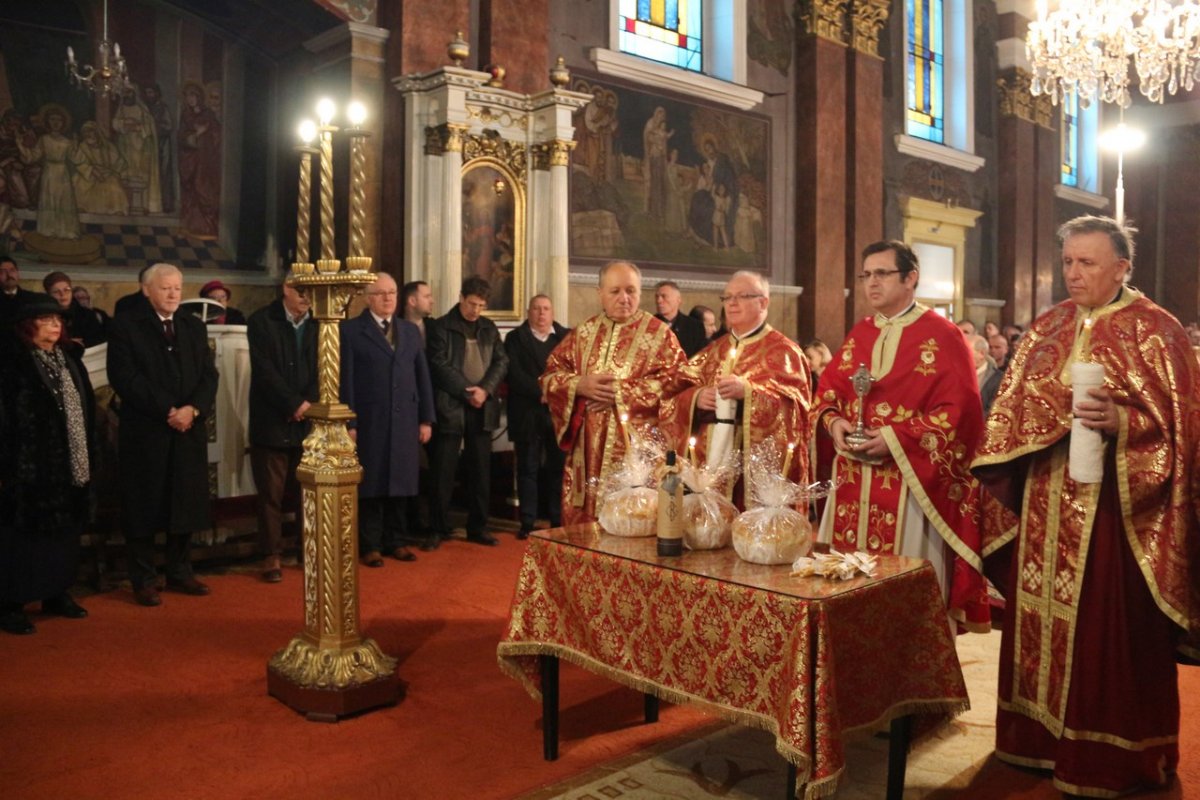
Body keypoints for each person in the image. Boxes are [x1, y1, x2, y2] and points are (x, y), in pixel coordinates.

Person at [971, 216, 1200, 797]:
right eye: (1068, 262)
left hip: (1118, 515)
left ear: (1123, 268)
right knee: (1036, 619)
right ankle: (1035, 740)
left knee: (1109, 629)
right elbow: (1009, 410)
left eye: (1088, 263)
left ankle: (1109, 756)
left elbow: (1185, 432)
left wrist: (1125, 421)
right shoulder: (1047, 327)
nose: (1074, 274)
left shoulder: (1158, 332)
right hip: (1046, 500)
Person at [814, 241, 990, 632]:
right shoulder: (861, 332)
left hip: (910, 490)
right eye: (866, 275)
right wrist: (834, 422)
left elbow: (960, 415)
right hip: (852, 485)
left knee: (902, 608)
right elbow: (829, 393)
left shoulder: (943, 336)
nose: (871, 283)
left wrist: (897, 438)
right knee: (846, 597)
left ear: (911, 278)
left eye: (882, 273)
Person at [106, 263, 218, 606]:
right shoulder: (127, 326)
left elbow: (208, 376)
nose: (173, 294)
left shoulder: (193, 326)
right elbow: (124, 376)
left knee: (184, 501)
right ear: (147, 289)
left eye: (178, 288)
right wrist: (168, 410)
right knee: (143, 504)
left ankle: (180, 571)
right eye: (166, 288)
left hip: (188, 431)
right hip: (147, 432)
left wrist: (193, 410)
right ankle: (143, 577)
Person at [542, 261, 687, 524]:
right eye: (615, 291)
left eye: (631, 291)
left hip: (635, 451)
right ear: (600, 293)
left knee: (632, 525)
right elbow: (550, 376)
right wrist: (579, 385)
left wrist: (621, 393)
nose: (624, 298)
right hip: (587, 450)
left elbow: (677, 383)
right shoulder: (583, 333)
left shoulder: (660, 336)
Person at [661, 271, 811, 504]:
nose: (731, 302)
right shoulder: (713, 350)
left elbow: (797, 413)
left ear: (763, 302)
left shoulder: (785, 352)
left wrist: (749, 393)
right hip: (708, 467)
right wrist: (696, 398)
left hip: (752, 475)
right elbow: (670, 394)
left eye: (741, 296)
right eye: (727, 297)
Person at [0, 299, 94, 634]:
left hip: (69, 464)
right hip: (26, 469)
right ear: (27, 324)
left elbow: (84, 410)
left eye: (58, 319)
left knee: (63, 534)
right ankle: (11, 604)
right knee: (21, 540)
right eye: (45, 318)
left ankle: (56, 592)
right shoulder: (12, 364)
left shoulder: (69, 361)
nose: (55, 324)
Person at [340, 272, 434, 565]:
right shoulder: (352, 331)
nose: (388, 298)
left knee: (401, 483)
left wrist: (426, 419)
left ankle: (397, 540)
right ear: (369, 298)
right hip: (371, 419)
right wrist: (350, 423)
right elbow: (347, 381)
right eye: (381, 293)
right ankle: (370, 545)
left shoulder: (408, 330)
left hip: (405, 418)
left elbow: (422, 376)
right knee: (372, 484)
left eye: (392, 292)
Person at [427, 276, 508, 546]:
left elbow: (501, 361)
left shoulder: (488, 328)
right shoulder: (441, 327)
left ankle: (478, 527)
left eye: (481, 305)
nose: (476, 310)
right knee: (444, 471)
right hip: (451, 405)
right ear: (461, 298)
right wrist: (466, 391)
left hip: (482, 405)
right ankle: (438, 527)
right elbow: (438, 365)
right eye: (472, 303)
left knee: (480, 471)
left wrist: (484, 390)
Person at [246, 276, 317, 582]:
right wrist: (292, 404)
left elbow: (325, 367)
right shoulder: (262, 321)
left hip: (308, 420)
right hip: (272, 419)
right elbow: (265, 371)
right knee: (271, 495)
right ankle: (271, 555)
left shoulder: (319, 322)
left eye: (310, 292)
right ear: (285, 289)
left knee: (308, 492)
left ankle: (308, 551)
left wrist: (308, 404)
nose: (306, 297)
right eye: (300, 290)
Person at [505, 294, 569, 538]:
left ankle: (556, 518)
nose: (541, 314)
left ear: (552, 313)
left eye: (546, 309)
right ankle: (528, 522)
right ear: (528, 312)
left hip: (558, 413)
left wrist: (554, 394)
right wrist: (540, 392)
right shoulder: (515, 338)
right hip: (527, 412)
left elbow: (571, 371)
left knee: (558, 469)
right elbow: (513, 373)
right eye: (536, 309)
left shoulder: (565, 337)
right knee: (527, 469)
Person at [42, 271, 106, 349]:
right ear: (49, 294)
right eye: (56, 292)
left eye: (66, 290)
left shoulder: (87, 315)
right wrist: (66, 343)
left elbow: (98, 340)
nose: (63, 294)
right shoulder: (43, 317)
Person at [654, 280, 708, 357]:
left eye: (664, 296)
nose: (659, 301)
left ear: (678, 300)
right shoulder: (649, 325)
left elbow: (700, 357)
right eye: (657, 297)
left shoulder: (695, 327)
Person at [967, 333, 1002, 414]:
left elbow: (993, 412)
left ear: (981, 354)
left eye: (966, 352)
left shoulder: (998, 379)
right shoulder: (956, 376)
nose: (961, 356)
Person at [0, 256, 39, 326]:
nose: (9, 275)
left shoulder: (32, 299)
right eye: (2, 272)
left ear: (17, 273)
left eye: (12, 270)